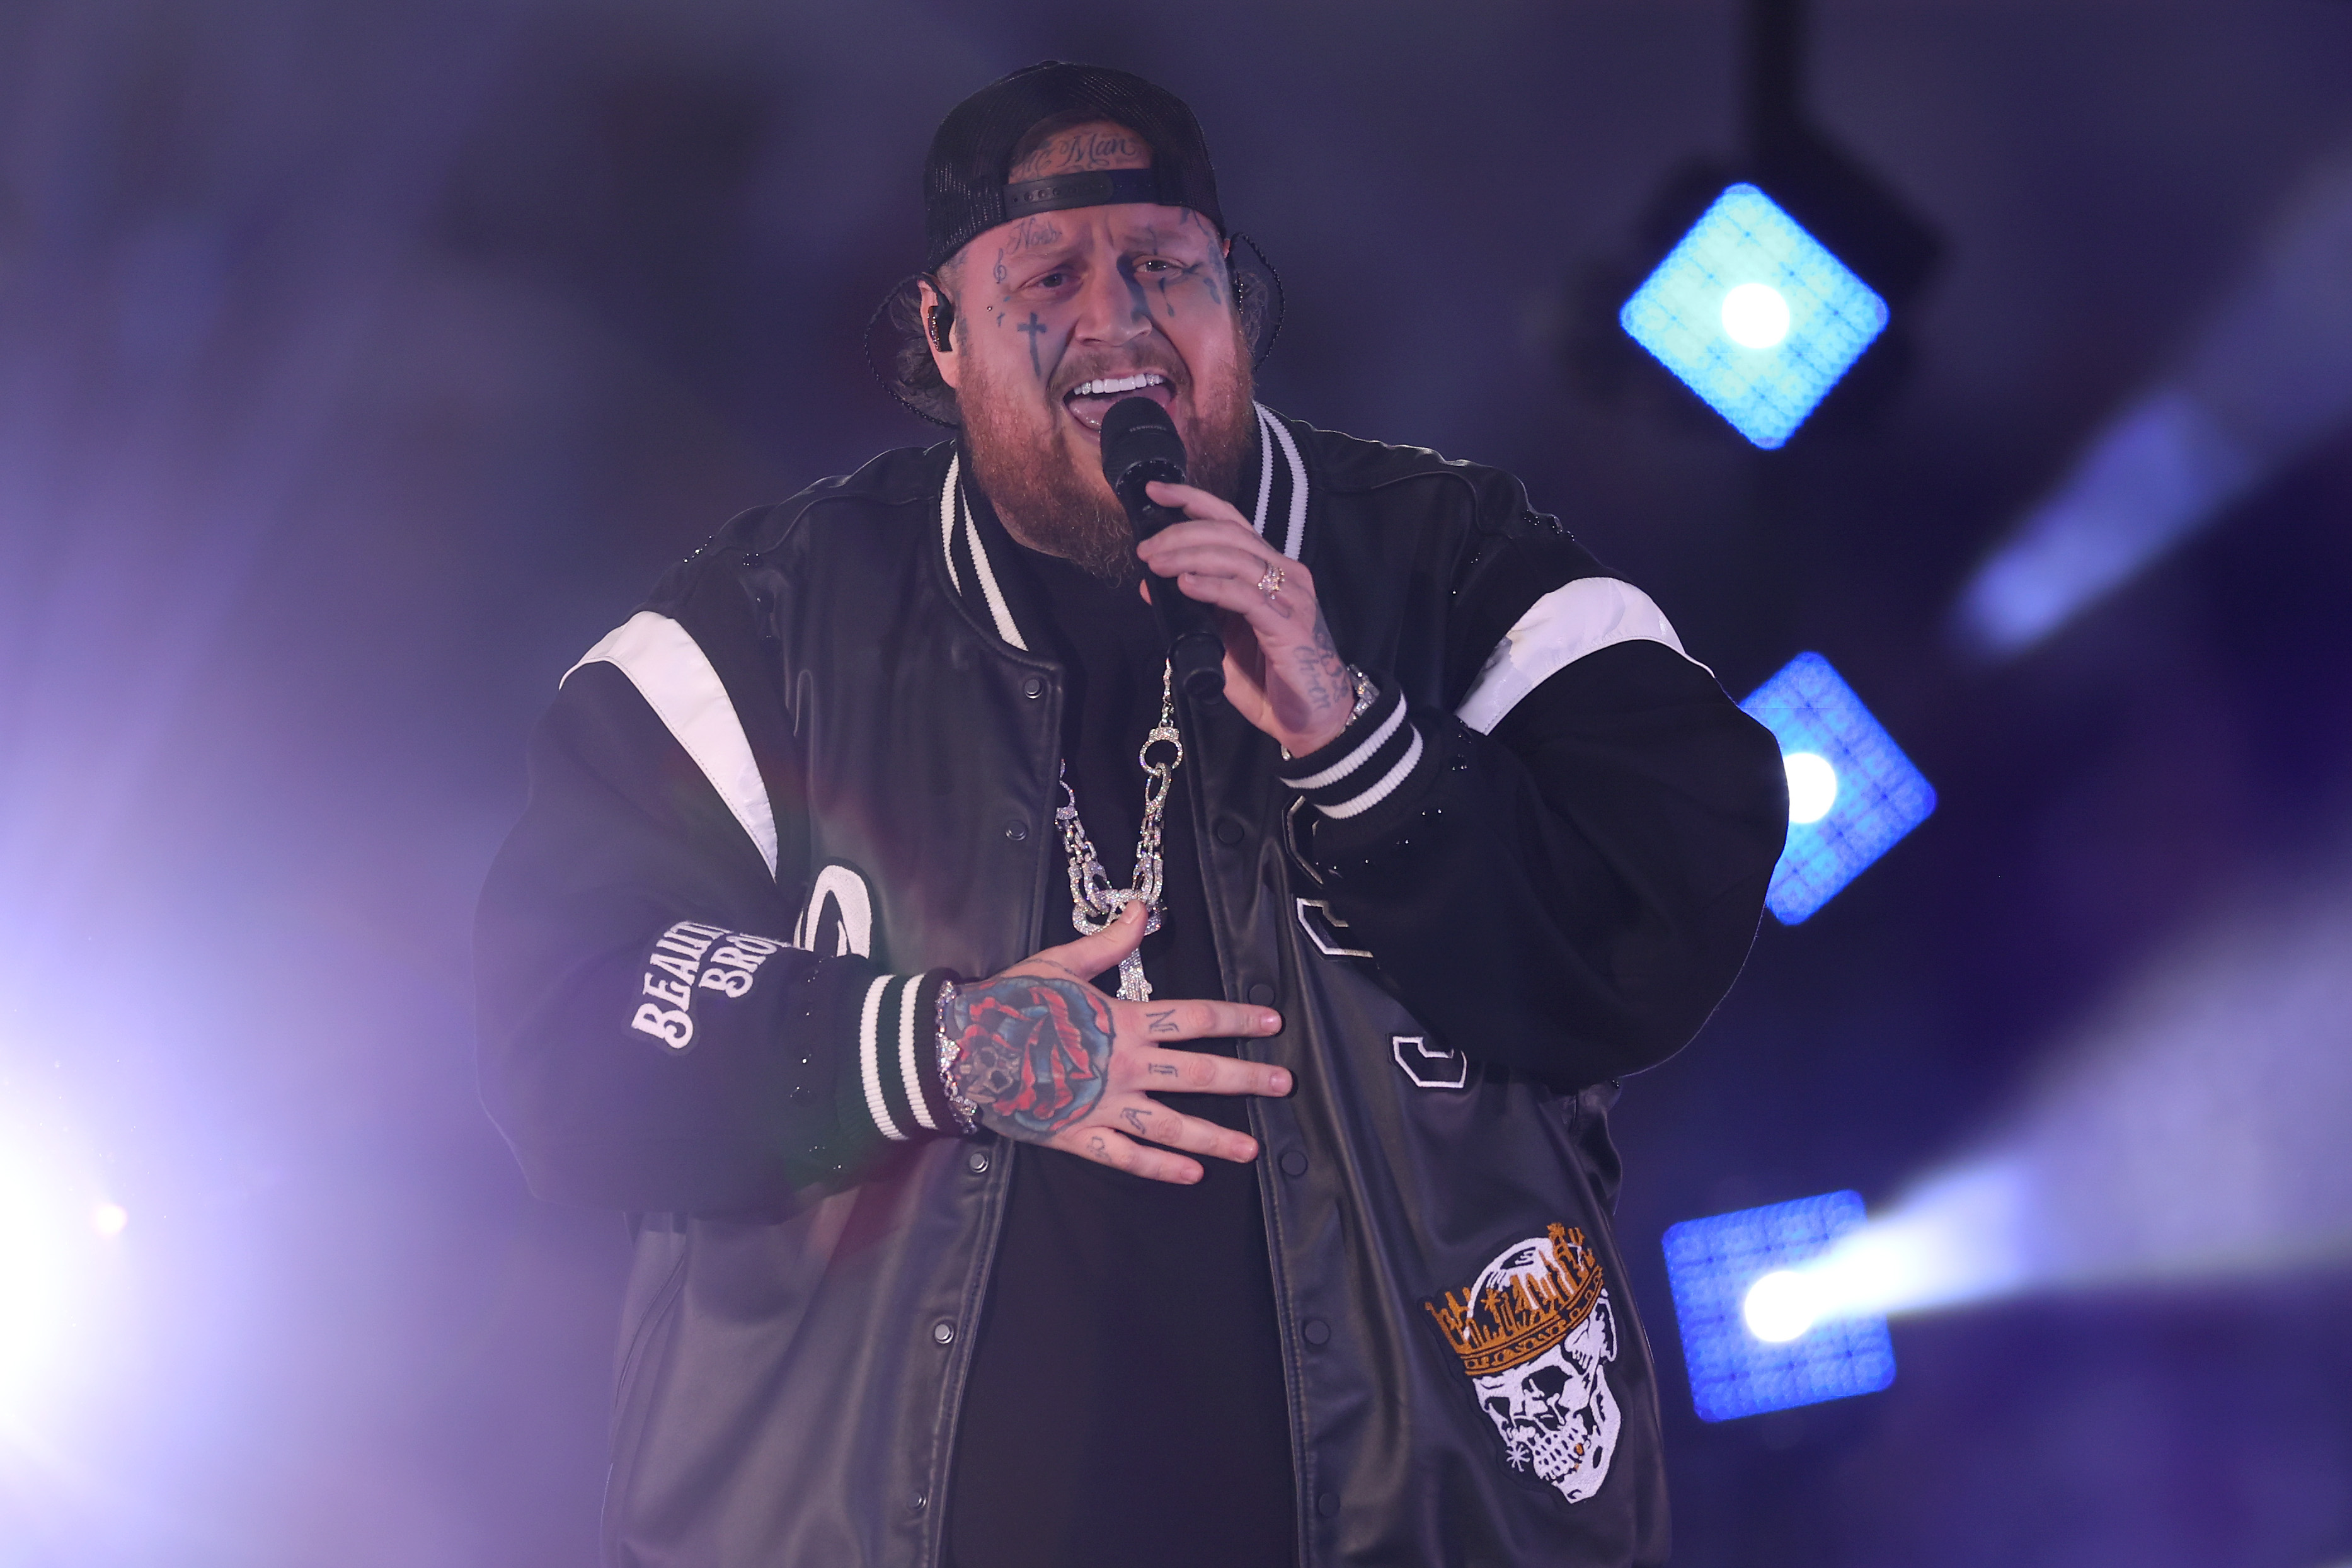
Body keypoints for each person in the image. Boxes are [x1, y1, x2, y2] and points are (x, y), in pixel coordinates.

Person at [476, 60, 1788, 1568]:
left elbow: (1665, 922)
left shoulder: (1453, 566)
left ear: (1237, 302)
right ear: (942, 333)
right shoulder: (766, 633)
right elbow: (561, 1034)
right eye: (1049, 274)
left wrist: (1358, 741)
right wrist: (937, 1049)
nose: (1118, 322)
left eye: (1167, 268)